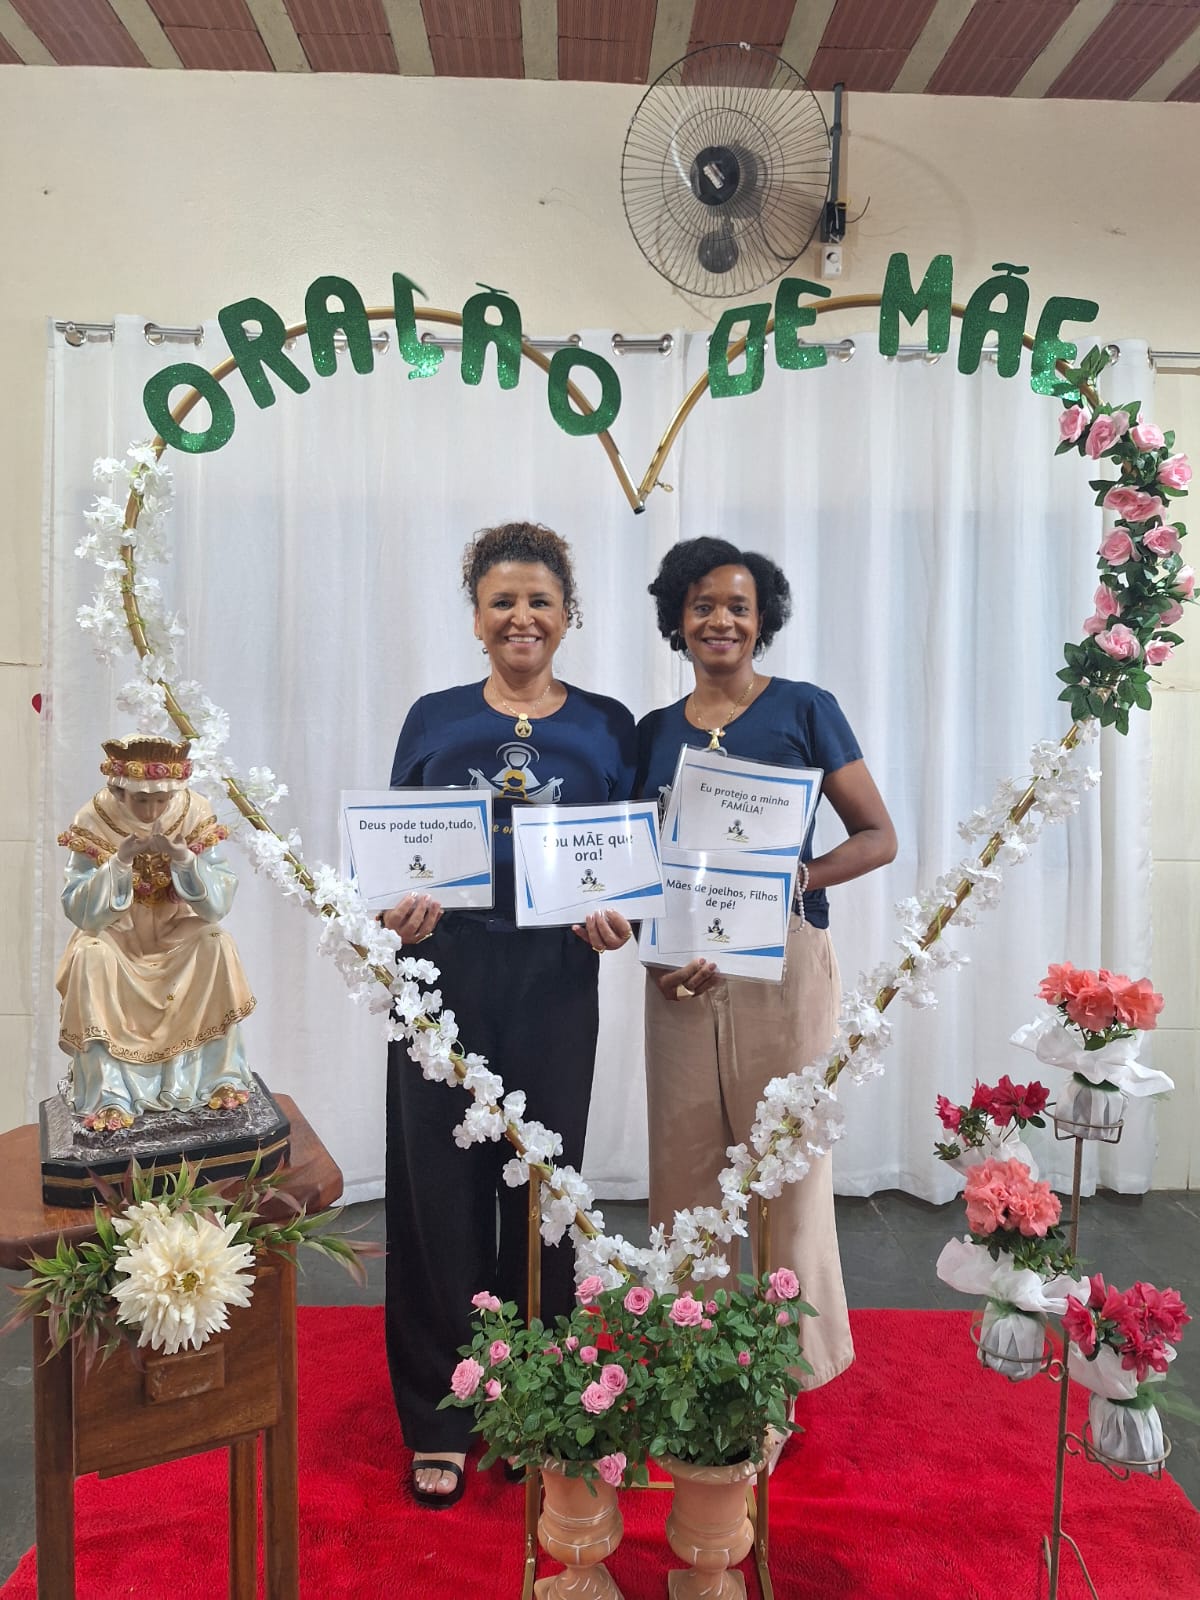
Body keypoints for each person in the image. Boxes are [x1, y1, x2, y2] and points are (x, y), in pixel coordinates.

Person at [381, 521, 636, 1508]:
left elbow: (632, 856)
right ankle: (441, 1414)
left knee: (543, 1192)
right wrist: (395, 909)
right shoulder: (433, 717)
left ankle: (533, 1395)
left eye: (539, 600)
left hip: (555, 976)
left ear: (568, 613)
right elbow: (393, 852)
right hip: (440, 972)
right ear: (477, 615)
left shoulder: (609, 725)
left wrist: (620, 916)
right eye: (502, 601)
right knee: (438, 1193)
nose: (521, 617)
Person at [635, 537, 897, 1424]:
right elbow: (638, 858)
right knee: (683, 1171)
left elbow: (878, 836)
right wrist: (647, 945)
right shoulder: (653, 732)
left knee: (788, 1168)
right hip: (679, 968)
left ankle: (782, 1375)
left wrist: (798, 877)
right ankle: (691, 1364)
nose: (722, 620)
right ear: (677, 619)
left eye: (739, 607)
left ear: (763, 620)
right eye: (704, 605)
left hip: (785, 962)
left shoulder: (805, 709)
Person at [56, 736, 256, 1130]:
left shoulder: (194, 810)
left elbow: (217, 903)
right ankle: (110, 1091)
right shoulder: (94, 818)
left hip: (174, 930)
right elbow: (79, 910)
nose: (151, 811)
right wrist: (119, 862)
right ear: (119, 790)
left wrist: (184, 859)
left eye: (161, 800)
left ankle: (217, 1075)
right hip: (117, 935)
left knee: (216, 941)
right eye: (141, 800)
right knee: (90, 954)